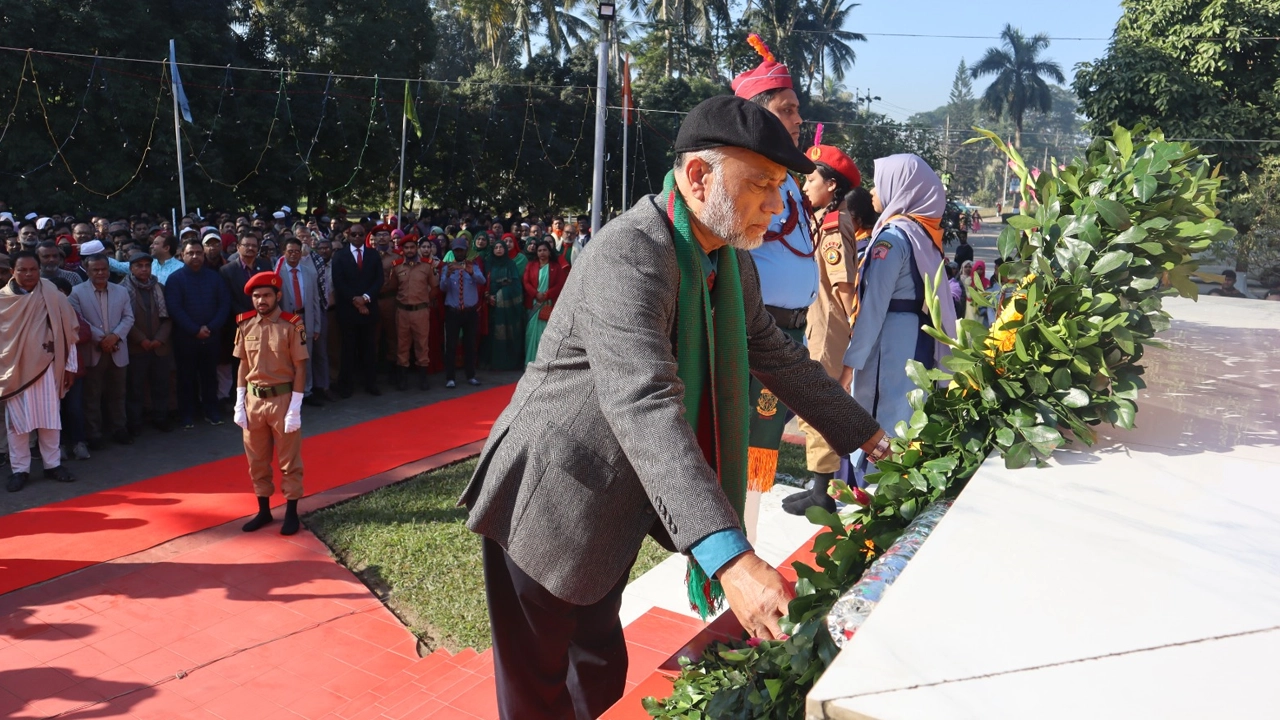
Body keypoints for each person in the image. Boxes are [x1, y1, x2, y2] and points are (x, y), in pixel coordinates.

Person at [462, 96, 890, 720]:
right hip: (552, 496)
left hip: (616, 499)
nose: (778, 204)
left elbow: (774, 353)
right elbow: (646, 405)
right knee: (537, 691)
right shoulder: (629, 255)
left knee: (600, 667)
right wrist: (731, 559)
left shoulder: (726, 254)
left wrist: (869, 435)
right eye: (762, 185)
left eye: (782, 186)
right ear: (699, 177)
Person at [731, 35, 819, 541]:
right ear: (760, 115)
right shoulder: (749, 175)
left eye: (797, 110)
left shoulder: (785, 176)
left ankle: (745, 547)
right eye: (787, 110)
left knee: (757, 455)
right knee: (743, 452)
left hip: (788, 334)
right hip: (755, 333)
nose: (797, 119)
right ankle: (730, 560)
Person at [841, 154, 957, 486]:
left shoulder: (892, 238)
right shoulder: (924, 236)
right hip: (917, 344)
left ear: (900, 187)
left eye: (880, 183)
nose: (873, 191)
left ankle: (872, 502)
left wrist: (850, 364)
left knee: (879, 426)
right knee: (908, 426)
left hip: (888, 351)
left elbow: (874, 306)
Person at [785, 145, 865, 515]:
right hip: (818, 320)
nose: (805, 184)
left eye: (811, 178)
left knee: (819, 400)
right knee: (812, 401)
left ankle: (822, 491)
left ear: (831, 185)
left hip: (829, 323)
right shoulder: (822, 218)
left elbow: (844, 290)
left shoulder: (833, 226)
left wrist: (851, 344)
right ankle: (820, 486)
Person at [232, 271, 308, 536]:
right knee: (257, 461)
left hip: (283, 400)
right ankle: (264, 510)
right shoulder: (245, 324)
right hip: (254, 400)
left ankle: (291, 512)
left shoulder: (292, 325)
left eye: (266, 295)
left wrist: (296, 406)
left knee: (289, 461)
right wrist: (239, 402)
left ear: (278, 296)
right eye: (256, 296)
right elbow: (243, 364)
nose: (260, 300)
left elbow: (300, 367)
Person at [1, 251, 80, 492]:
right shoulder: (3, 300)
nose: (28, 274)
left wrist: (70, 366)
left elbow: (68, 332)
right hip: (15, 371)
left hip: (48, 367)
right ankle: (20, 470)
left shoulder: (51, 293)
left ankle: (52, 464)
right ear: (12, 271)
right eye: (22, 270)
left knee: (50, 419)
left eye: (33, 269)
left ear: (39, 270)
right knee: (17, 425)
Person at [69, 255, 135, 449]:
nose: (100, 273)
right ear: (87, 271)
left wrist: (114, 337)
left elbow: (129, 318)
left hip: (118, 349)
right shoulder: (76, 293)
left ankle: (119, 429)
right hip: (93, 350)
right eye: (95, 270)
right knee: (92, 396)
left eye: (103, 269)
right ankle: (94, 434)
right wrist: (103, 339)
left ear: (109, 270)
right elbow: (79, 321)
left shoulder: (121, 291)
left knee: (118, 393)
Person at [166, 239, 231, 428]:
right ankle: (187, 414)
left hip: (211, 337)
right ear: (182, 256)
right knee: (186, 378)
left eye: (198, 253)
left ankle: (211, 411)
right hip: (186, 338)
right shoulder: (175, 279)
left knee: (210, 377)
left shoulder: (214, 277)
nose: (195, 256)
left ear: (203, 255)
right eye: (190, 253)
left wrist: (210, 328)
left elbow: (224, 304)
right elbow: (175, 308)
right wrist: (195, 330)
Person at [331, 222, 384, 397]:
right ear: (348, 235)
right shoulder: (339, 256)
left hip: (369, 309)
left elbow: (379, 280)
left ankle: (371, 383)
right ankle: (346, 385)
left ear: (365, 235)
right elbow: (339, 282)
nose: (357, 237)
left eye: (360, 234)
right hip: (348, 311)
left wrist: (366, 299)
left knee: (369, 348)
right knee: (348, 349)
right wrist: (356, 301)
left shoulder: (373, 255)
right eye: (354, 234)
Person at [122, 250, 173, 434]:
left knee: (161, 385)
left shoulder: (159, 287)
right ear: (131, 268)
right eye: (139, 266)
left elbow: (168, 318)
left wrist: (159, 339)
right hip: (136, 346)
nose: (144, 270)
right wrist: (141, 339)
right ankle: (135, 422)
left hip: (160, 346)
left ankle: (161, 418)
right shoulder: (122, 289)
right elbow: (123, 319)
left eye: (147, 265)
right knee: (135, 388)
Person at [275, 237, 325, 406]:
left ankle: (307, 391)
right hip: (286, 321)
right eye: (290, 251)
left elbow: (315, 301)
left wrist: (316, 325)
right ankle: (289, 392)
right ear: (284, 252)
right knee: (287, 358)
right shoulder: (277, 274)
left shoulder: (309, 272)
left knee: (306, 358)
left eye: (297, 251)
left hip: (306, 319)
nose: (294, 255)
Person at [386, 234, 438, 390]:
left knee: (422, 345)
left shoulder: (427, 266)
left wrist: (425, 301)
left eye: (412, 247)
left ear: (416, 248)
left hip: (421, 311)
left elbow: (434, 288)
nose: (409, 250)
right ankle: (403, 379)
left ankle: (423, 379)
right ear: (402, 250)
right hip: (402, 311)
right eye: (406, 248)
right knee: (402, 346)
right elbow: (393, 287)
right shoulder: (396, 266)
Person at [440, 238, 486, 389]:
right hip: (453, 312)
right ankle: (450, 378)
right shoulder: (447, 267)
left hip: (470, 312)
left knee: (470, 344)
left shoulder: (473, 265)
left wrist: (471, 272)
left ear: (466, 251)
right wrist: (447, 276)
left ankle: (471, 376)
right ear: (453, 252)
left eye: (461, 250)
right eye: (456, 250)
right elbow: (442, 288)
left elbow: (482, 281)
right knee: (451, 345)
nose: (459, 252)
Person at [521, 239, 566, 365]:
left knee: (545, 335)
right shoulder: (531, 265)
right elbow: (526, 282)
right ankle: (530, 363)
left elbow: (560, 284)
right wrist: (536, 294)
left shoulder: (556, 267)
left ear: (550, 252)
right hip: (533, 304)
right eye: (539, 250)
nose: (542, 253)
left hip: (548, 304)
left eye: (544, 250)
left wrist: (546, 295)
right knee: (531, 334)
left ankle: (545, 363)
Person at [484, 237, 525, 371]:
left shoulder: (510, 264)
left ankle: (508, 362)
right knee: (491, 333)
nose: (499, 249)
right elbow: (482, 282)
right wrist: (488, 296)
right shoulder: (488, 263)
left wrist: (501, 295)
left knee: (507, 332)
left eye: (501, 247)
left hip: (506, 305)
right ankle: (491, 362)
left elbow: (516, 285)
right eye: (496, 247)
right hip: (489, 304)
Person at [309, 237, 335, 402]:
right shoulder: (304, 264)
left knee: (321, 351)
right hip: (303, 312)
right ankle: (306, 389)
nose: (324, 251)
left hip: (324, 311)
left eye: (327, 248)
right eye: (321, 248)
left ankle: (323, 386)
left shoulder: (332, 265)